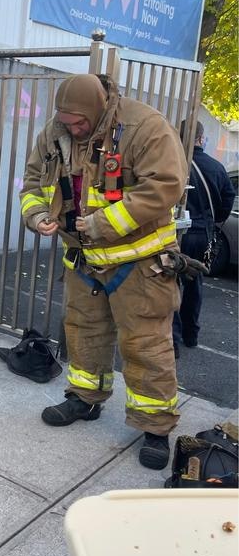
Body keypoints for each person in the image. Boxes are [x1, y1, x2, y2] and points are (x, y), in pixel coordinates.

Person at [20, 73, 190, 470]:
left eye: (79, 122)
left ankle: (155, 427)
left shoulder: (145, 127)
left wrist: (103, 223)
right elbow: (32, 184)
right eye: (66, 122)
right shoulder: (55, 133)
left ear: (97, 110)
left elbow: (167, 185)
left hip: (139, 262)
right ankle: (85, 398)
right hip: (83, 260)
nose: (73, 129)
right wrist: (38, 215)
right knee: (84, 333)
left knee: (146, 344)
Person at [173, 121, 235, 356]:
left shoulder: (173, 163)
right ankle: (191, 334)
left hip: (175, 232)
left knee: (170, 284)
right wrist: (213, 220)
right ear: (201, 138)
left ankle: (172, 338)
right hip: (202, 233)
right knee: (194, 284)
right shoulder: (216, 167)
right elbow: (228, 197)